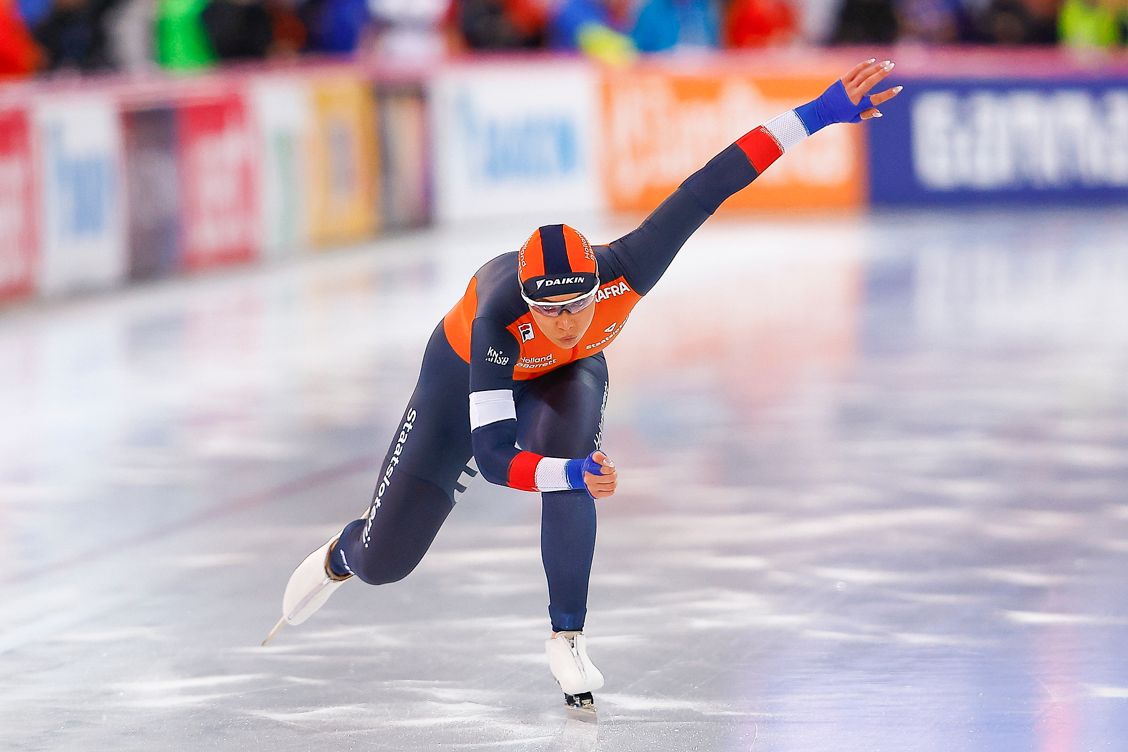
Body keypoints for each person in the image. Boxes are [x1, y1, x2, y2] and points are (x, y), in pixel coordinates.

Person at [267, 58, 902, 713]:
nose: (567, 323)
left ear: (599, 285)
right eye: (551, 311)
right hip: (458, 387)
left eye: (579, 306)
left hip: (565, 383)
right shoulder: (496, 323)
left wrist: (821, 112)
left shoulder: (630, 265)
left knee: (573, 450)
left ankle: (566, 635)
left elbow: (712, 183)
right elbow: (491, 459)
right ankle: (347, 551)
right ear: (528, 305)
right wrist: (567, 478)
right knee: (387, 563)